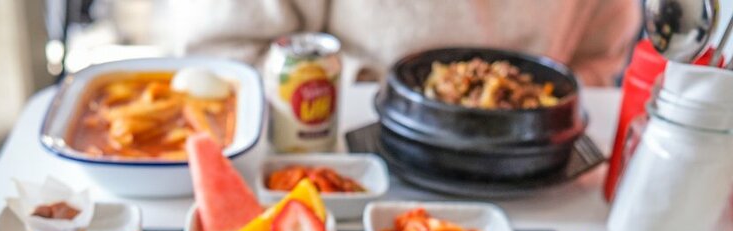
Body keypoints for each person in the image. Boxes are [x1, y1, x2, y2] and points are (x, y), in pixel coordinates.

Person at [166, 0, 641, 86]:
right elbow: (219, 51)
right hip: (349, 137)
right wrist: (364, 86)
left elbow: (598, 59)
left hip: (541, 173)